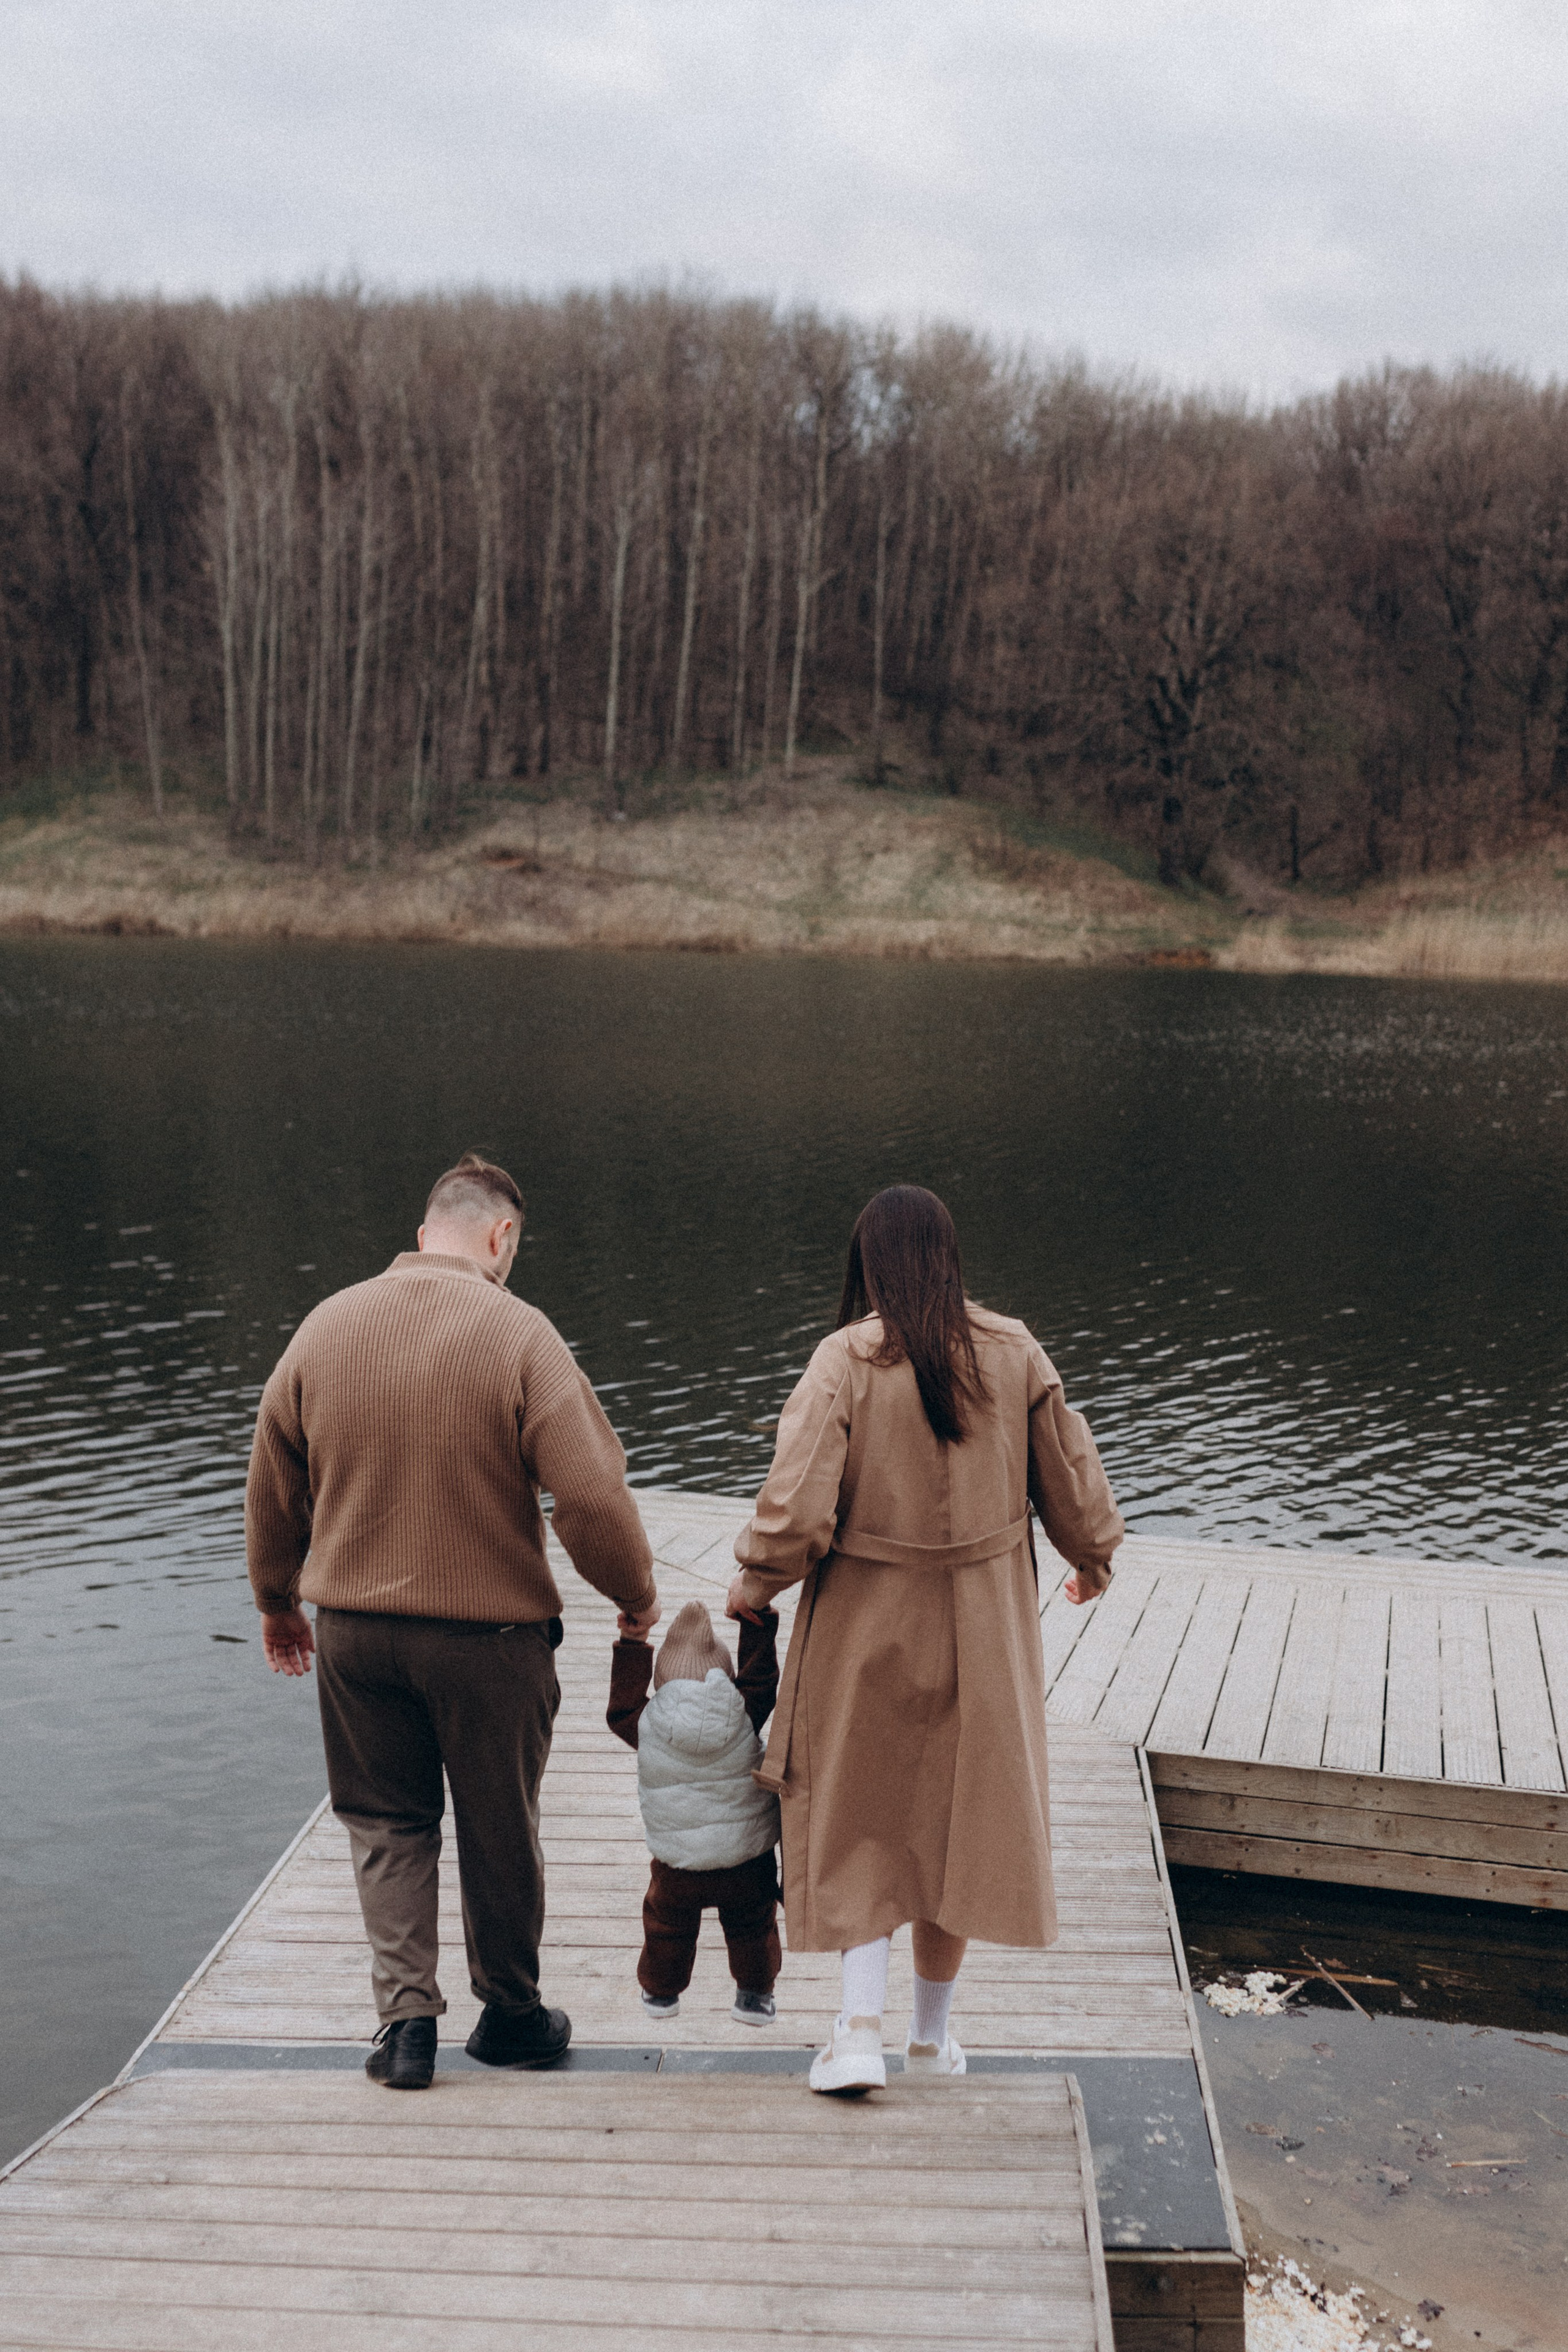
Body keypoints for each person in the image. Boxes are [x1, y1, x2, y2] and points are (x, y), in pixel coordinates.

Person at [245, 1152, 660, 2092]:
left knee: (387, 1822)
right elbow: (590, 1495)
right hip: (490, 1642)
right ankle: (510, 2016)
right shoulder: (520, 1333)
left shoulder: (325, 1326)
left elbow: (272, 1476)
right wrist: (634, 1593)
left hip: (354, 1632)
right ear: (500, 1234)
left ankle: (406, 2028)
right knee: (497, 1824)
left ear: (426, 1228)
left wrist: (277, 1601)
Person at [726, 1183, 1123, 2095]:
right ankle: (930, 2042)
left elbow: (796, 1510)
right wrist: (1092, 1558)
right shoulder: (1013, 1350)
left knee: (862, 1819)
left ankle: (857, 2033)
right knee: (960, 1826)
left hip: (867, 1623)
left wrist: (756, 1581)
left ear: (867, 1266)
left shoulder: (847, 1358)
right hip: (986, 1626)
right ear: (950, 1258)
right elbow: (1072, 1478)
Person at [608, 1598, 783, 2026]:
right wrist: (756, 1622)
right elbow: (761, 1677)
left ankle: (660, 1993)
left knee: (667, 1926)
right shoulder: (744, 1711)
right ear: (725, 1675)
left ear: (663, 1680)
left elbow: (621, 1708)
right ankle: (755, 1997)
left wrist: (633, 1642)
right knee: (752, 1926)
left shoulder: (646, 1722)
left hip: (678, 1866)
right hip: (746, 1861)